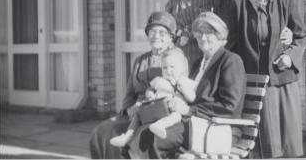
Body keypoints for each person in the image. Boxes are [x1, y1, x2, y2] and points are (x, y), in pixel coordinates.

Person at [221, 0, 306, 158]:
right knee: (257, 146)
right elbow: (227, 42)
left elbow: (302, 36)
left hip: (282, 81)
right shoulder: (237, 1)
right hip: (251, 80)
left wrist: (289, 56)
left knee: (286, 144)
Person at [125, 12, 246, 159]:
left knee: (149, 136)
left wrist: (189, 110)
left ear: (220, 37)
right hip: (194, 124)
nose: (203, 37)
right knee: (144, 130)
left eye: (209, 33)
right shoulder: (198, 64)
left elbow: (229, 106)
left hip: (218, 128)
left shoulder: (230, 61)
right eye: (199, 33)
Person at [89, 11, 177, 159]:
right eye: (152, 32)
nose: (156, 36)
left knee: (115, 131)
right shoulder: (140, 60)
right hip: (135, 113)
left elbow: (176, 90)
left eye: (162, 33)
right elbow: (130, 92)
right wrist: (128, 110)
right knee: (101, 130)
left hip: (160, 115)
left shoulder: (175, 58)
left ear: (170, 37)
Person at [109, 47, 196, 147]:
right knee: (138, 114)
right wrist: (149, 93)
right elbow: (150, 88)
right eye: (165, 67)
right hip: (157, 108)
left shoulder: (185, 81)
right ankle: (127, 136)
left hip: (172, 109)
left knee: (177, 115)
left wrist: (183, 88)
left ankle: (160, 126)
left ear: (181, 68)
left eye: (172, 67)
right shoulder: (159, 80)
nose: (168, 70)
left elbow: (192, 98)